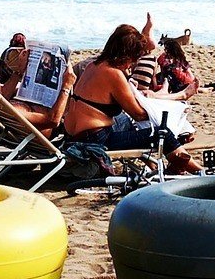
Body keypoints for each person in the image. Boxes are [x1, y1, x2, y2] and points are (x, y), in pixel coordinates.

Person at [64, 24, 201, 174]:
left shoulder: (92, 65)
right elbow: (139, 114)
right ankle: (200, 171)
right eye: (133, 59)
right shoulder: (113, 74)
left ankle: (157, 165)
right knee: (163, 133)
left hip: (73, 135)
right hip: (95, 139)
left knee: (123, 120)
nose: (131, 65)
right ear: (127, 55)